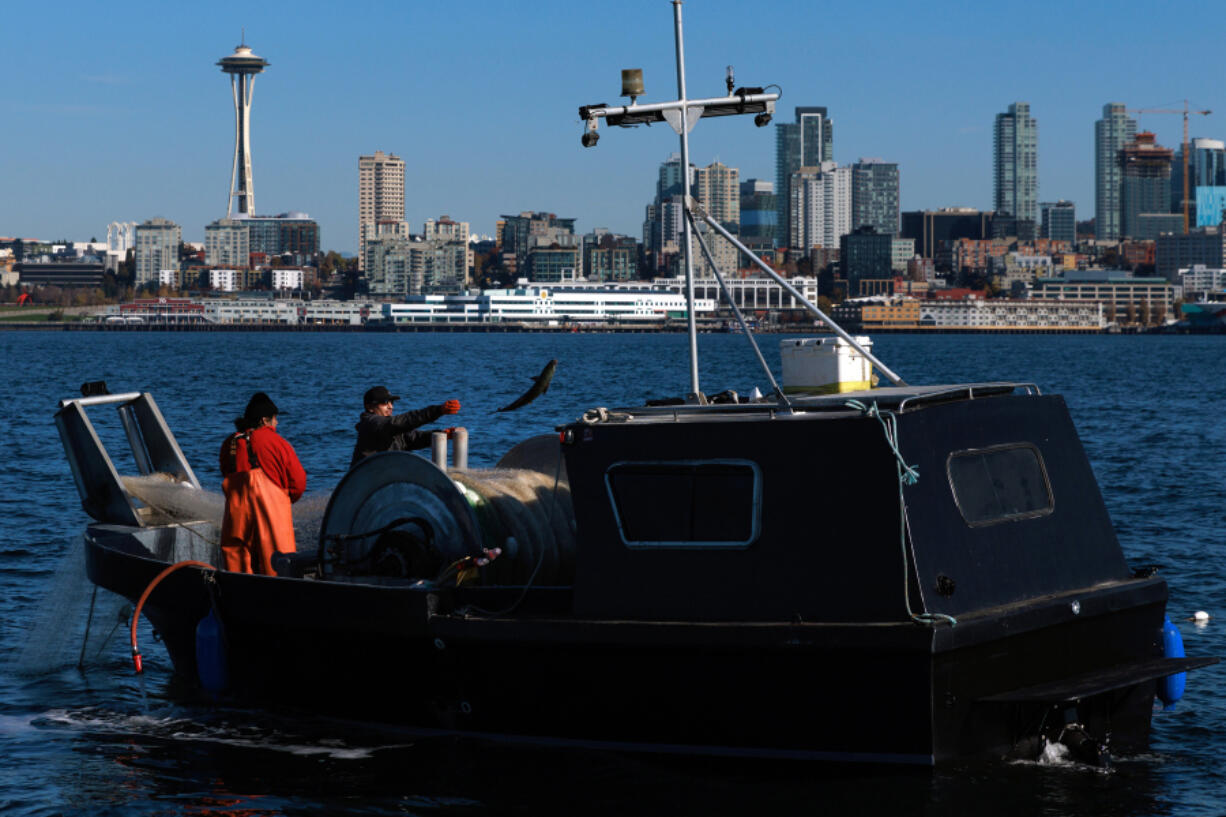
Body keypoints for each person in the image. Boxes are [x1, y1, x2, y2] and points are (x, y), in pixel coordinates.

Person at [219, 392, 307, 575]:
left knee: (236, 554)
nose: (277, 423)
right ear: (265, 420)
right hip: (271, 508)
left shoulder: (230, 442)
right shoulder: (277, 442)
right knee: (277, 557)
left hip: (237, 505)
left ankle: (238, 591)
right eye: (275, 419)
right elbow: (298, 482)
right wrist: (285, 499)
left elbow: (225, 472)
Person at [349, 385, 460, 468]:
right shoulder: (371, 423)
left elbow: (411, 439)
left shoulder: (388, 427)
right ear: (370, 407)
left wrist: (442, 435)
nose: (390, 406)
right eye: (385, 402)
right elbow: (402, 422)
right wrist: (438, 410)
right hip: (366, 482)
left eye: (392, 402)